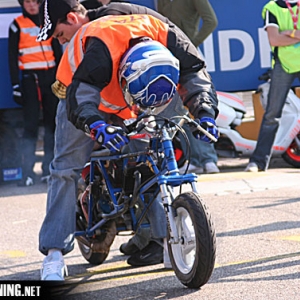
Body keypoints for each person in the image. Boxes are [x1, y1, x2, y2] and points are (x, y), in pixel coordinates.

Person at [37, 0, 218, 280]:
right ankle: (54, 255)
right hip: (79, 101)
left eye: (60, 34)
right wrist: (97, 125)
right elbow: (81, 95)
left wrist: (205, 112)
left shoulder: (165, 32)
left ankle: (164, 241)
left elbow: (194, 71)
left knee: (152, 160)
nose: (61, 41)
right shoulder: (102, 46)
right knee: (65, 169)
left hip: (134, 98)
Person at [157, 0, 219, 174]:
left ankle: (208, 159)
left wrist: (192, 43)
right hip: (166, 55)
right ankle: (194, 159)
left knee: (198, 104)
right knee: (177, 107)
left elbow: (211, 20)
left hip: (188, 55)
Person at [8, 0, 62, 186]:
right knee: (30, 127)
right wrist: (15, 85)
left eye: (35, 1)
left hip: (50, 78)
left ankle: (48, 169)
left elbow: (57, 52)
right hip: (30, 80)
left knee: (51, 126)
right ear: (22, 4)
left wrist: (62, 78)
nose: (31, 5)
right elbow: (11, 56)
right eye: (27, 2)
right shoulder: (17, 24)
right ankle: (28, 172)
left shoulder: (47, 22)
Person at [245, 0, 300, 172]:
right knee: (272, 115)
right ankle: (258, 162)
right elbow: (274, 39)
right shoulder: (271, 8)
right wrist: (296, 34)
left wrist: (289, 34)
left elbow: (280, 37)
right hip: (284, 65)